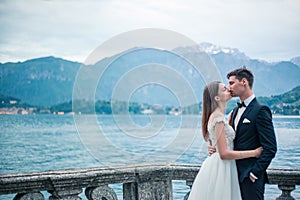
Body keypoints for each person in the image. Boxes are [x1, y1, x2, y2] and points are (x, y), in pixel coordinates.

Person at [188, 81, 263, 200]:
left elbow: (221, 140)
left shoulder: (224, 116)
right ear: (217, 98)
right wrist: (254, 153)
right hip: (221, 167)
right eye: (224, 89)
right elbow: (223, 154)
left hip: (226, 165)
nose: (228, 89)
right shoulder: (217, 118)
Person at [225, 67, 277, 200]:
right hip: (232, 174)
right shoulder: (235, 111)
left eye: (231, 83)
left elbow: (270, 148)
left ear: (243, 82)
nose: (228, 87)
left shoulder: (261, 110)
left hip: (250, 178)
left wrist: (254, 173)